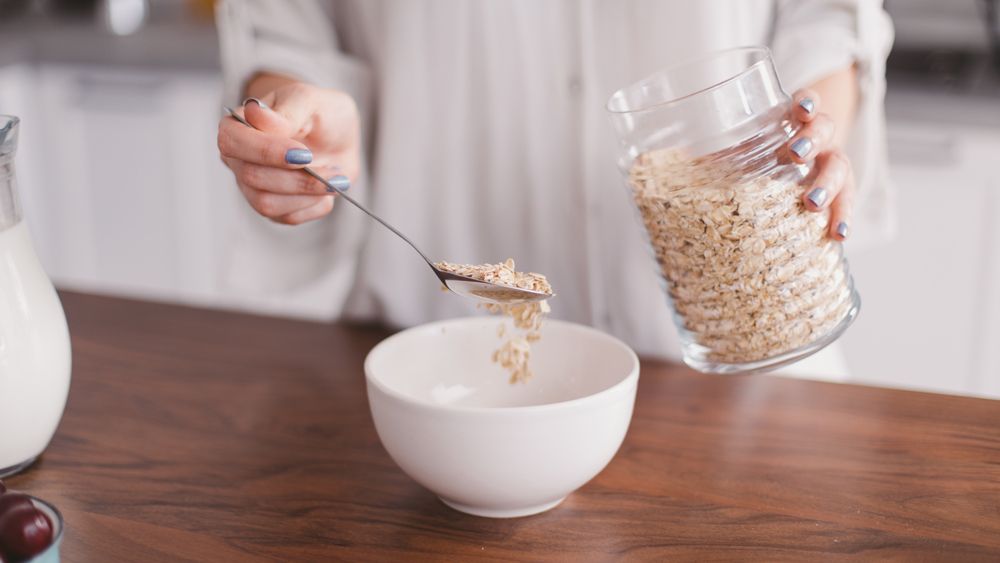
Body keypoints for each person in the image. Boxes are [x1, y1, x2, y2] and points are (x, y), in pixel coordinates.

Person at [214, 0, 894, 380]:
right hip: (443, 374)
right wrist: (290, 113)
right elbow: (286, 28)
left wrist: (805, 124)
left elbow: (827, 19)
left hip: (737, 354)